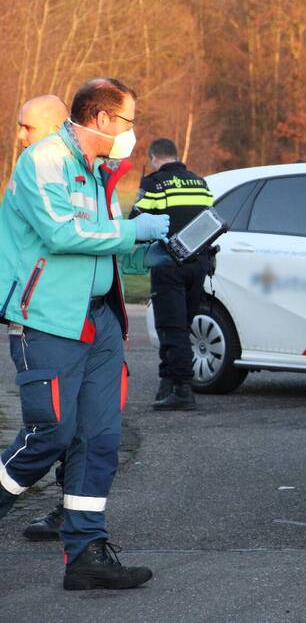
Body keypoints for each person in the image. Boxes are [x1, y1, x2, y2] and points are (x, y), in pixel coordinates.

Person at [0, 77, 173, 590]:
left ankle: (86, 552)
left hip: (99, 320)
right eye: (127, 120)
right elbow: (61, 233)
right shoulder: (44, 161)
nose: (132, 131)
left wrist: (149, 253)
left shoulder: (98, 171)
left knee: (99, 438)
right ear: (101, 120)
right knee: (50, 433)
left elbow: (103, 244)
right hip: (50, 320)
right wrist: (132, 232)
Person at [13, 95, 73, 543]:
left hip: (76, 320)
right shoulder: (34, 171)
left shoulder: (74, 169)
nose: (19, 136)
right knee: (49, 432)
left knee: (83, 430)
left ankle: (73, 516)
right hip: (41, 320)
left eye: (26, 127)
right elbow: (62, 234)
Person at [132, 138, 214, 410]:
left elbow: (136, 221)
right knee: (183, 326)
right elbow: (208, 220)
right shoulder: (200, 183)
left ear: (154, 158)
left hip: (169, 265)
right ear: (176, 156)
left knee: (171, 328)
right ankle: (166, 384)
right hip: (199, 264)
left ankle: (182, 390)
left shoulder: (154, 183)